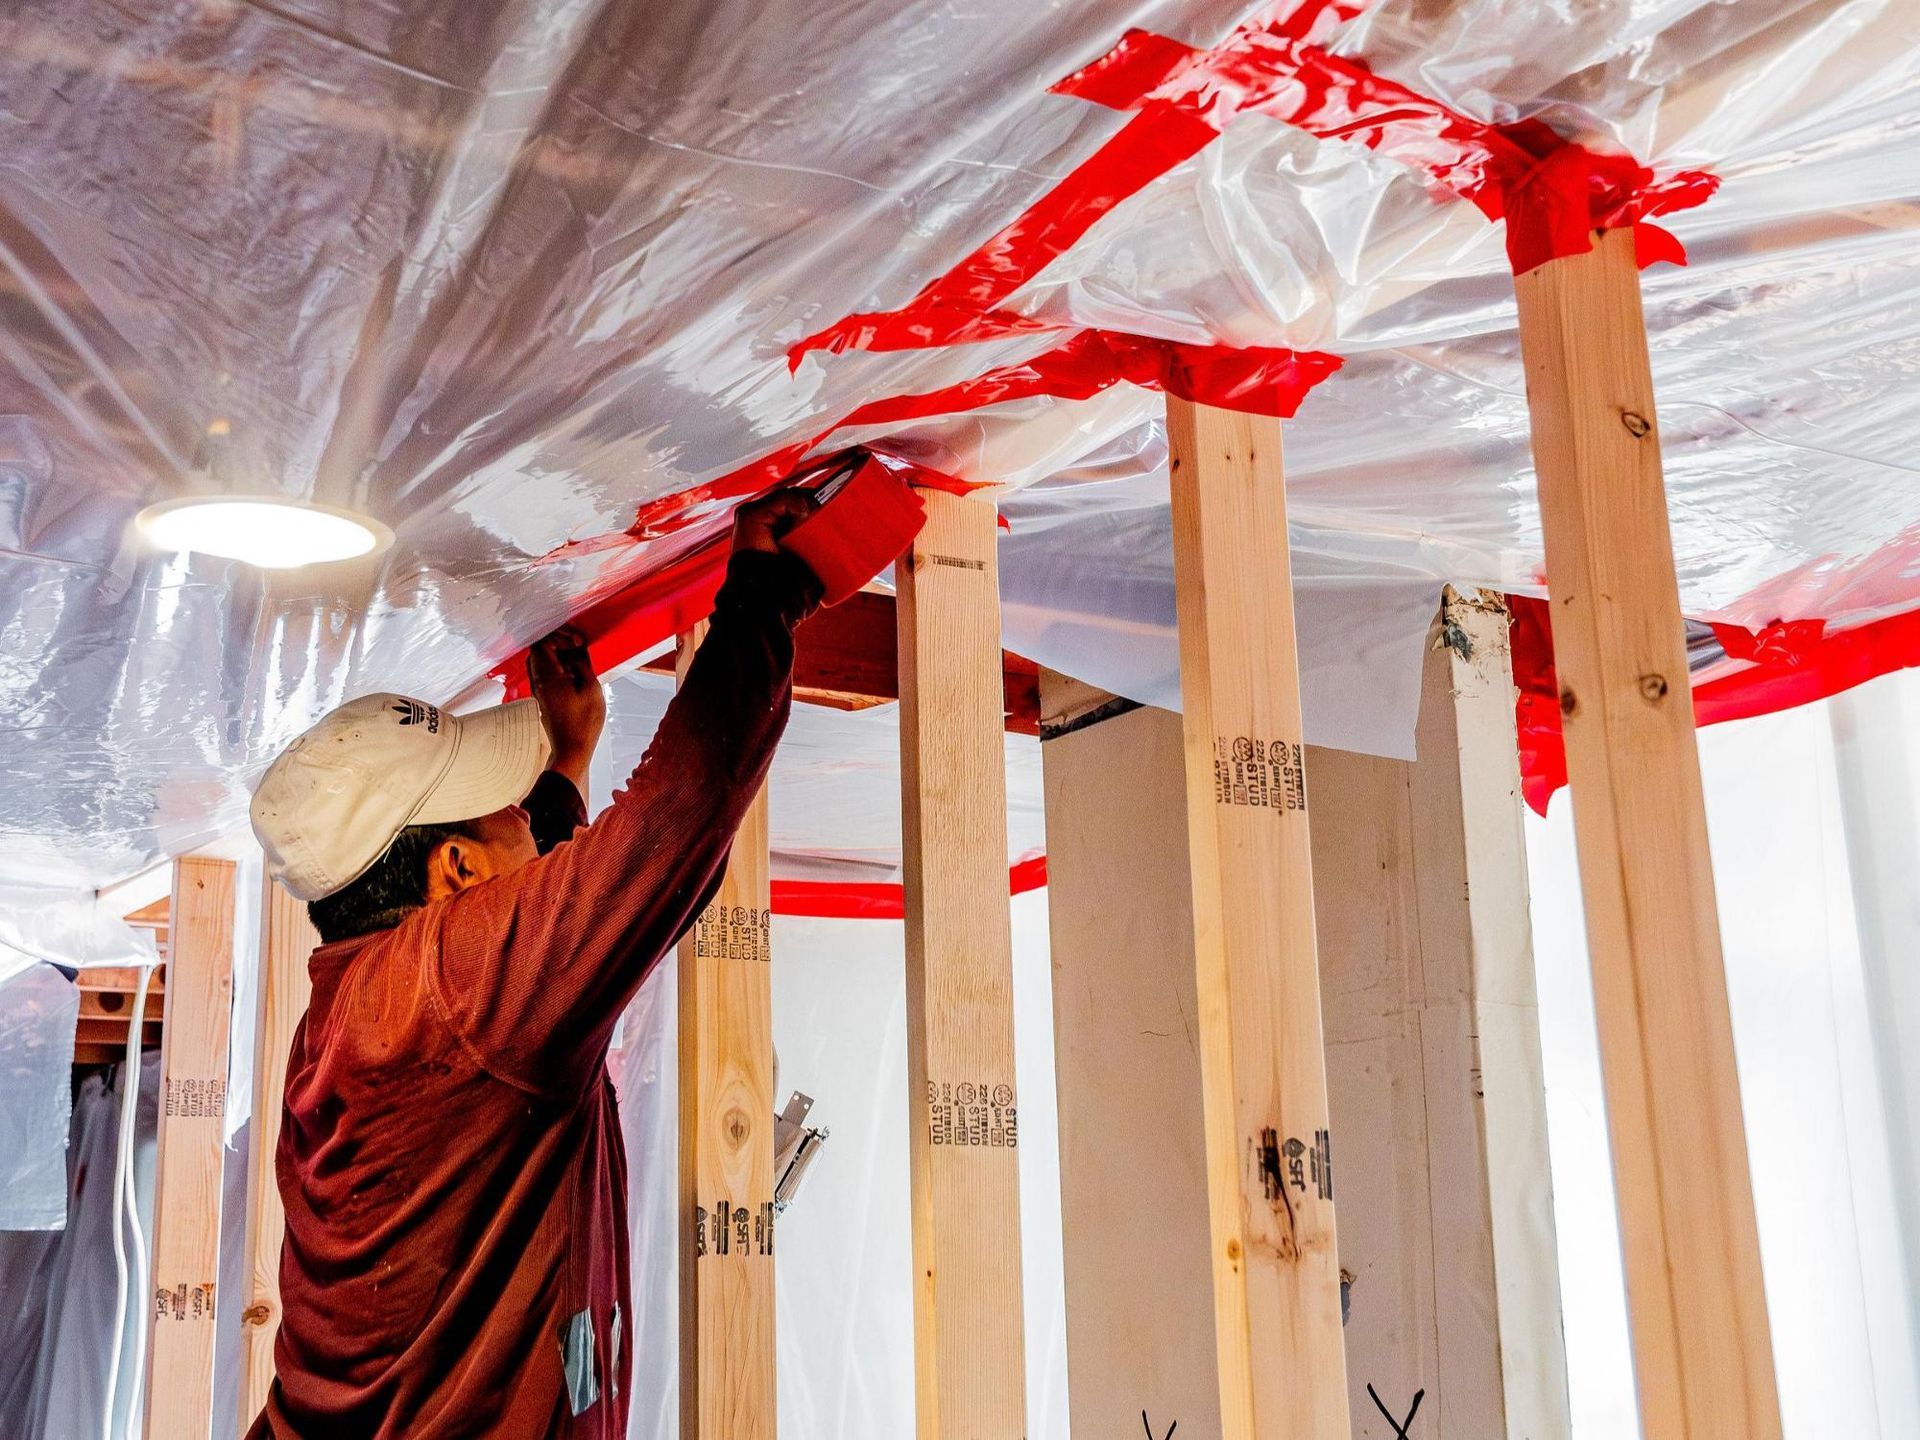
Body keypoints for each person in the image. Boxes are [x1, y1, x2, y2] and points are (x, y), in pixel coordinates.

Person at [244, 491, 821, 1438]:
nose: (525, 814)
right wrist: (766, 589)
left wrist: (563, 771)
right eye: (503, 806)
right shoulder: (450, 989)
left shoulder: (357, 1004)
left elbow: (577, 931)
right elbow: (674, 821)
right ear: (456, 869)